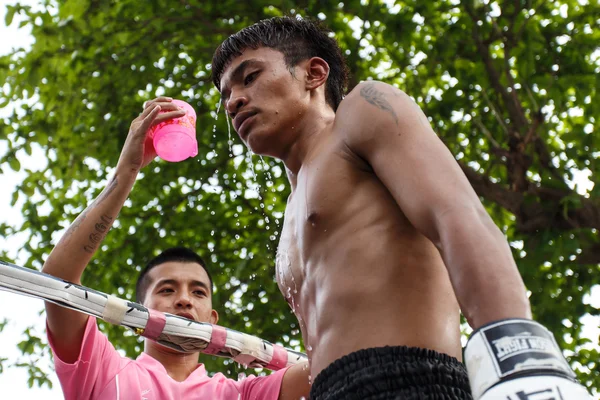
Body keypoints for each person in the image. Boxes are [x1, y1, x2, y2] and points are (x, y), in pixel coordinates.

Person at [210, 16, 592, 399]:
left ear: (314, 73)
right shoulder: (292, 208)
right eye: (225, 94)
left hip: (412, 378)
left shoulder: (363, 112)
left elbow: (456, 215)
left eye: (250, 77)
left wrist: (521, 358)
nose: (234, 101)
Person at [41, 100, 310, 400]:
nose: (184, 300)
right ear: (137, 312)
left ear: (212, 319)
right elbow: (58, 278)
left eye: (198, 292)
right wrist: (126, 172)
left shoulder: (243, 394)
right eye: (167, 290)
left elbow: (339, 356)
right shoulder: (103, 373)